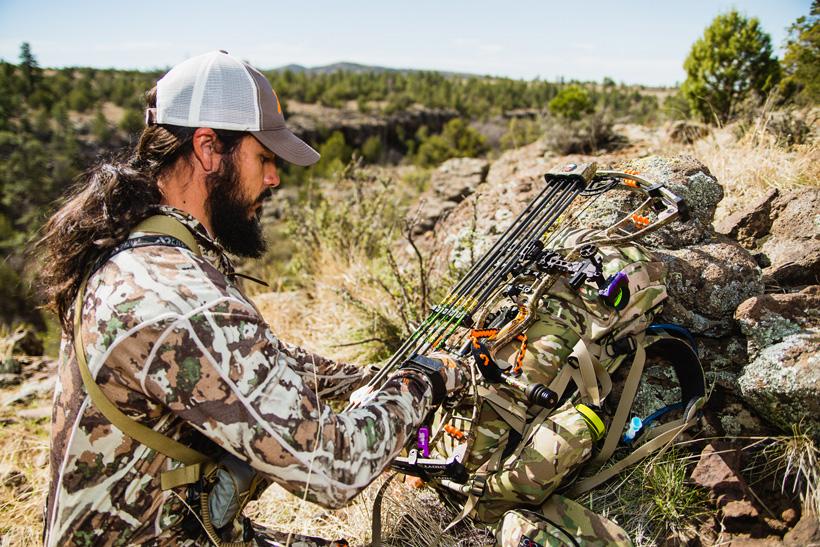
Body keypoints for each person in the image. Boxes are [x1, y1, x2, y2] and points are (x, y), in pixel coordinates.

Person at [37, 50, 466, 546]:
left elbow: (260, 364)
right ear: (208, 149)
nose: (274, 178)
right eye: (264, 158)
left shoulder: (140, 251)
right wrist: (426, 380)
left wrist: (371, 378)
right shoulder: (180, 296)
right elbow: (334, 467)